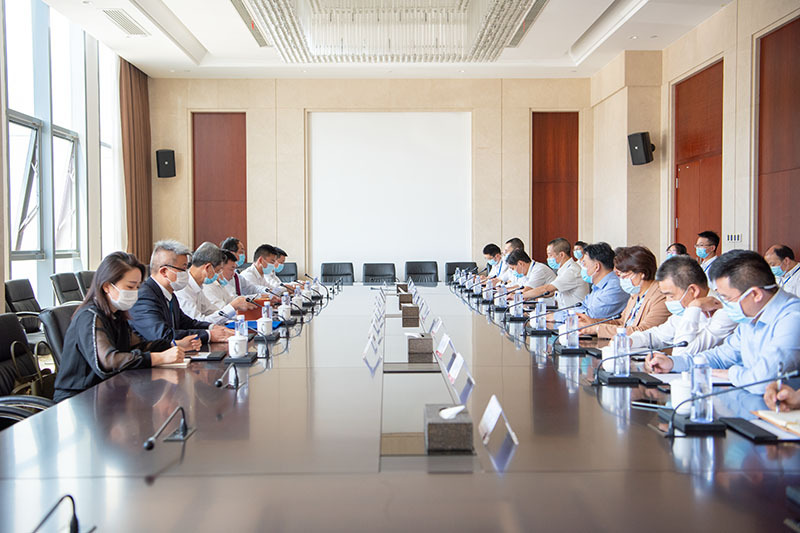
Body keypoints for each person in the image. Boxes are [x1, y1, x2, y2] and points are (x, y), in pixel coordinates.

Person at [646, 250, 800, 393]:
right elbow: (720, 357)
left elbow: (763, 380)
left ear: (755, 295)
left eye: (726, 298)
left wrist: (729, 373)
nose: (723, 304)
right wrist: (672, 363)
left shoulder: (793, 317)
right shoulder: (751, 316)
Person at [53, 252, 185, 402]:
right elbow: (109, 361)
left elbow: (137, 346)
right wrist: (159, 358)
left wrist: (172, 345)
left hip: (107, 393)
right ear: (107, 286)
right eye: (130, 286)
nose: (135, 292)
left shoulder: (117, 314)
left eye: (137, 287)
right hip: (78, 399)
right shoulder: (89, 316)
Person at [128, 240, 232, 345]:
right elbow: (163, 335)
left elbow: (186, 323)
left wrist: (212, 327)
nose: (186, 273)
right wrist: (209, 335)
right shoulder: (143, 297)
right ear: (164, 271)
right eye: (183, 269)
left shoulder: (170, 294)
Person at [631, 255, 737, 356]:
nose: (667, 301)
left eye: (671, 296)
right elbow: (657, 336)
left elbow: (682, 353)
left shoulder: (724, 312)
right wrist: (628, 341)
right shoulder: (683, 311)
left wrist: (694, 307)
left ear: (693, 291)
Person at [584, 246, 670, 338]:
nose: (622, 280)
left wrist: (597, 329)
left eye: (625, 276)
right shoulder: (636, 294)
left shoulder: (661, 295)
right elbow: (622, 322)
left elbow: (644, 331)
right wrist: (591, 322)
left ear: (642, 274)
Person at [175, 242, 256, 324]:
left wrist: (234, 308)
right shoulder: (183, 289)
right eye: (218, 271)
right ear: (208, 267)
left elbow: (212, 311)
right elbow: (198, 322)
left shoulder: (198, 286)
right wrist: (232, 307)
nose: (219, 275)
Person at [520, 238, 589, 308]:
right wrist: (532, 297)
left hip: (575, 313)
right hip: (563, 311)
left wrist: (522, 295)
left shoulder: (572, 271)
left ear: (561, 255)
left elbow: (547, 289)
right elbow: (553, 294)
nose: (548, 258)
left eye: (550, 255)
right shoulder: (563, 270)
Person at [575, 242, 628, 319]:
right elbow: (582, 305)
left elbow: (591, 316)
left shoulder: (615, 287)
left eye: (585, 263)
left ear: (597, 266)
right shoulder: (597, 285)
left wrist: (571, 315)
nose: (583, 267)